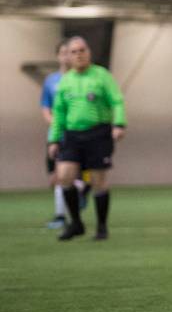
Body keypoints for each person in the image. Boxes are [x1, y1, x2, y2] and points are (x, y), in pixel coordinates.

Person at [47, 36, 125, 241]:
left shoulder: (101, 76)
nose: (79, 54)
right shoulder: (66, 82)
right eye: (74, 52)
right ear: (68, 57)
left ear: (88, 52)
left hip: (98, 133)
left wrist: (119, 124)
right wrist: (53, 139)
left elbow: (117, 101)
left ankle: (101, 227)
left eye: (82, 50)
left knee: (99, 180)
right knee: (64, 176)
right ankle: (76, 223)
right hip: (72, 135)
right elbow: (59, 113)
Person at [40, 40, 91, 229]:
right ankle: (62, 214)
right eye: (63, 53)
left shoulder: (83, 78)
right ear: (58, 56)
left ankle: (80, 196)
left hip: (78, 135)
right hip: (57, 135)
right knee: (57, 178)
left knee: (85, 175)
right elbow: (46, 108)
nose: (67, 56)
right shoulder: (51, 81)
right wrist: (57, 125)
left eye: (69, 52)